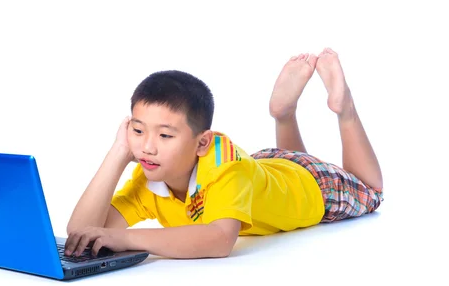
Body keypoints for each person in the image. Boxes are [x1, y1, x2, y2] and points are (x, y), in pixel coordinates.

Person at [64, 48, 384, 259]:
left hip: (315, 186)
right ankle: (284, 114)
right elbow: (82, 234)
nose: (147, 146)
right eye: (137, 130)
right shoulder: (150, 175)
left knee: (372, 191)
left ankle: (345, 111)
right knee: (274, 177)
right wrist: (117, 154)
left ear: (202, 143)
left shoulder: (226, 168)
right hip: (267, 168)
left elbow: (220, 239)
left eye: (164, 135)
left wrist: (130, 240)